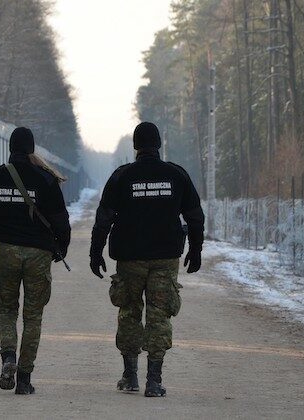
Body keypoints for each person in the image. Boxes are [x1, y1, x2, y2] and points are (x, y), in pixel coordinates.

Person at [89, 122, 204, 397]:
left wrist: (96, 252)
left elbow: (104, 217)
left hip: (130, 259)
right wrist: (196, 249)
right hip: (165, 257)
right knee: (160, 315)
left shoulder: (122, 176)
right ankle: (154, 380)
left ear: (136, 147)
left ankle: (130, 376)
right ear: (159, 144)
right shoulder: (176, 175)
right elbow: (195, 215)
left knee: (129, 312)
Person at [0, 127, 71, 395]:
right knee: (33, 316)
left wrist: (0, 207)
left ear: (11, 147)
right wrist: (61, 249)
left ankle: (8, 359)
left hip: (5, 251)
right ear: (31, 149)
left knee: (6, 310)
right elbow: (61, 220)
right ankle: (24, 380)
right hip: (38, 254)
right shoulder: (45, 179)